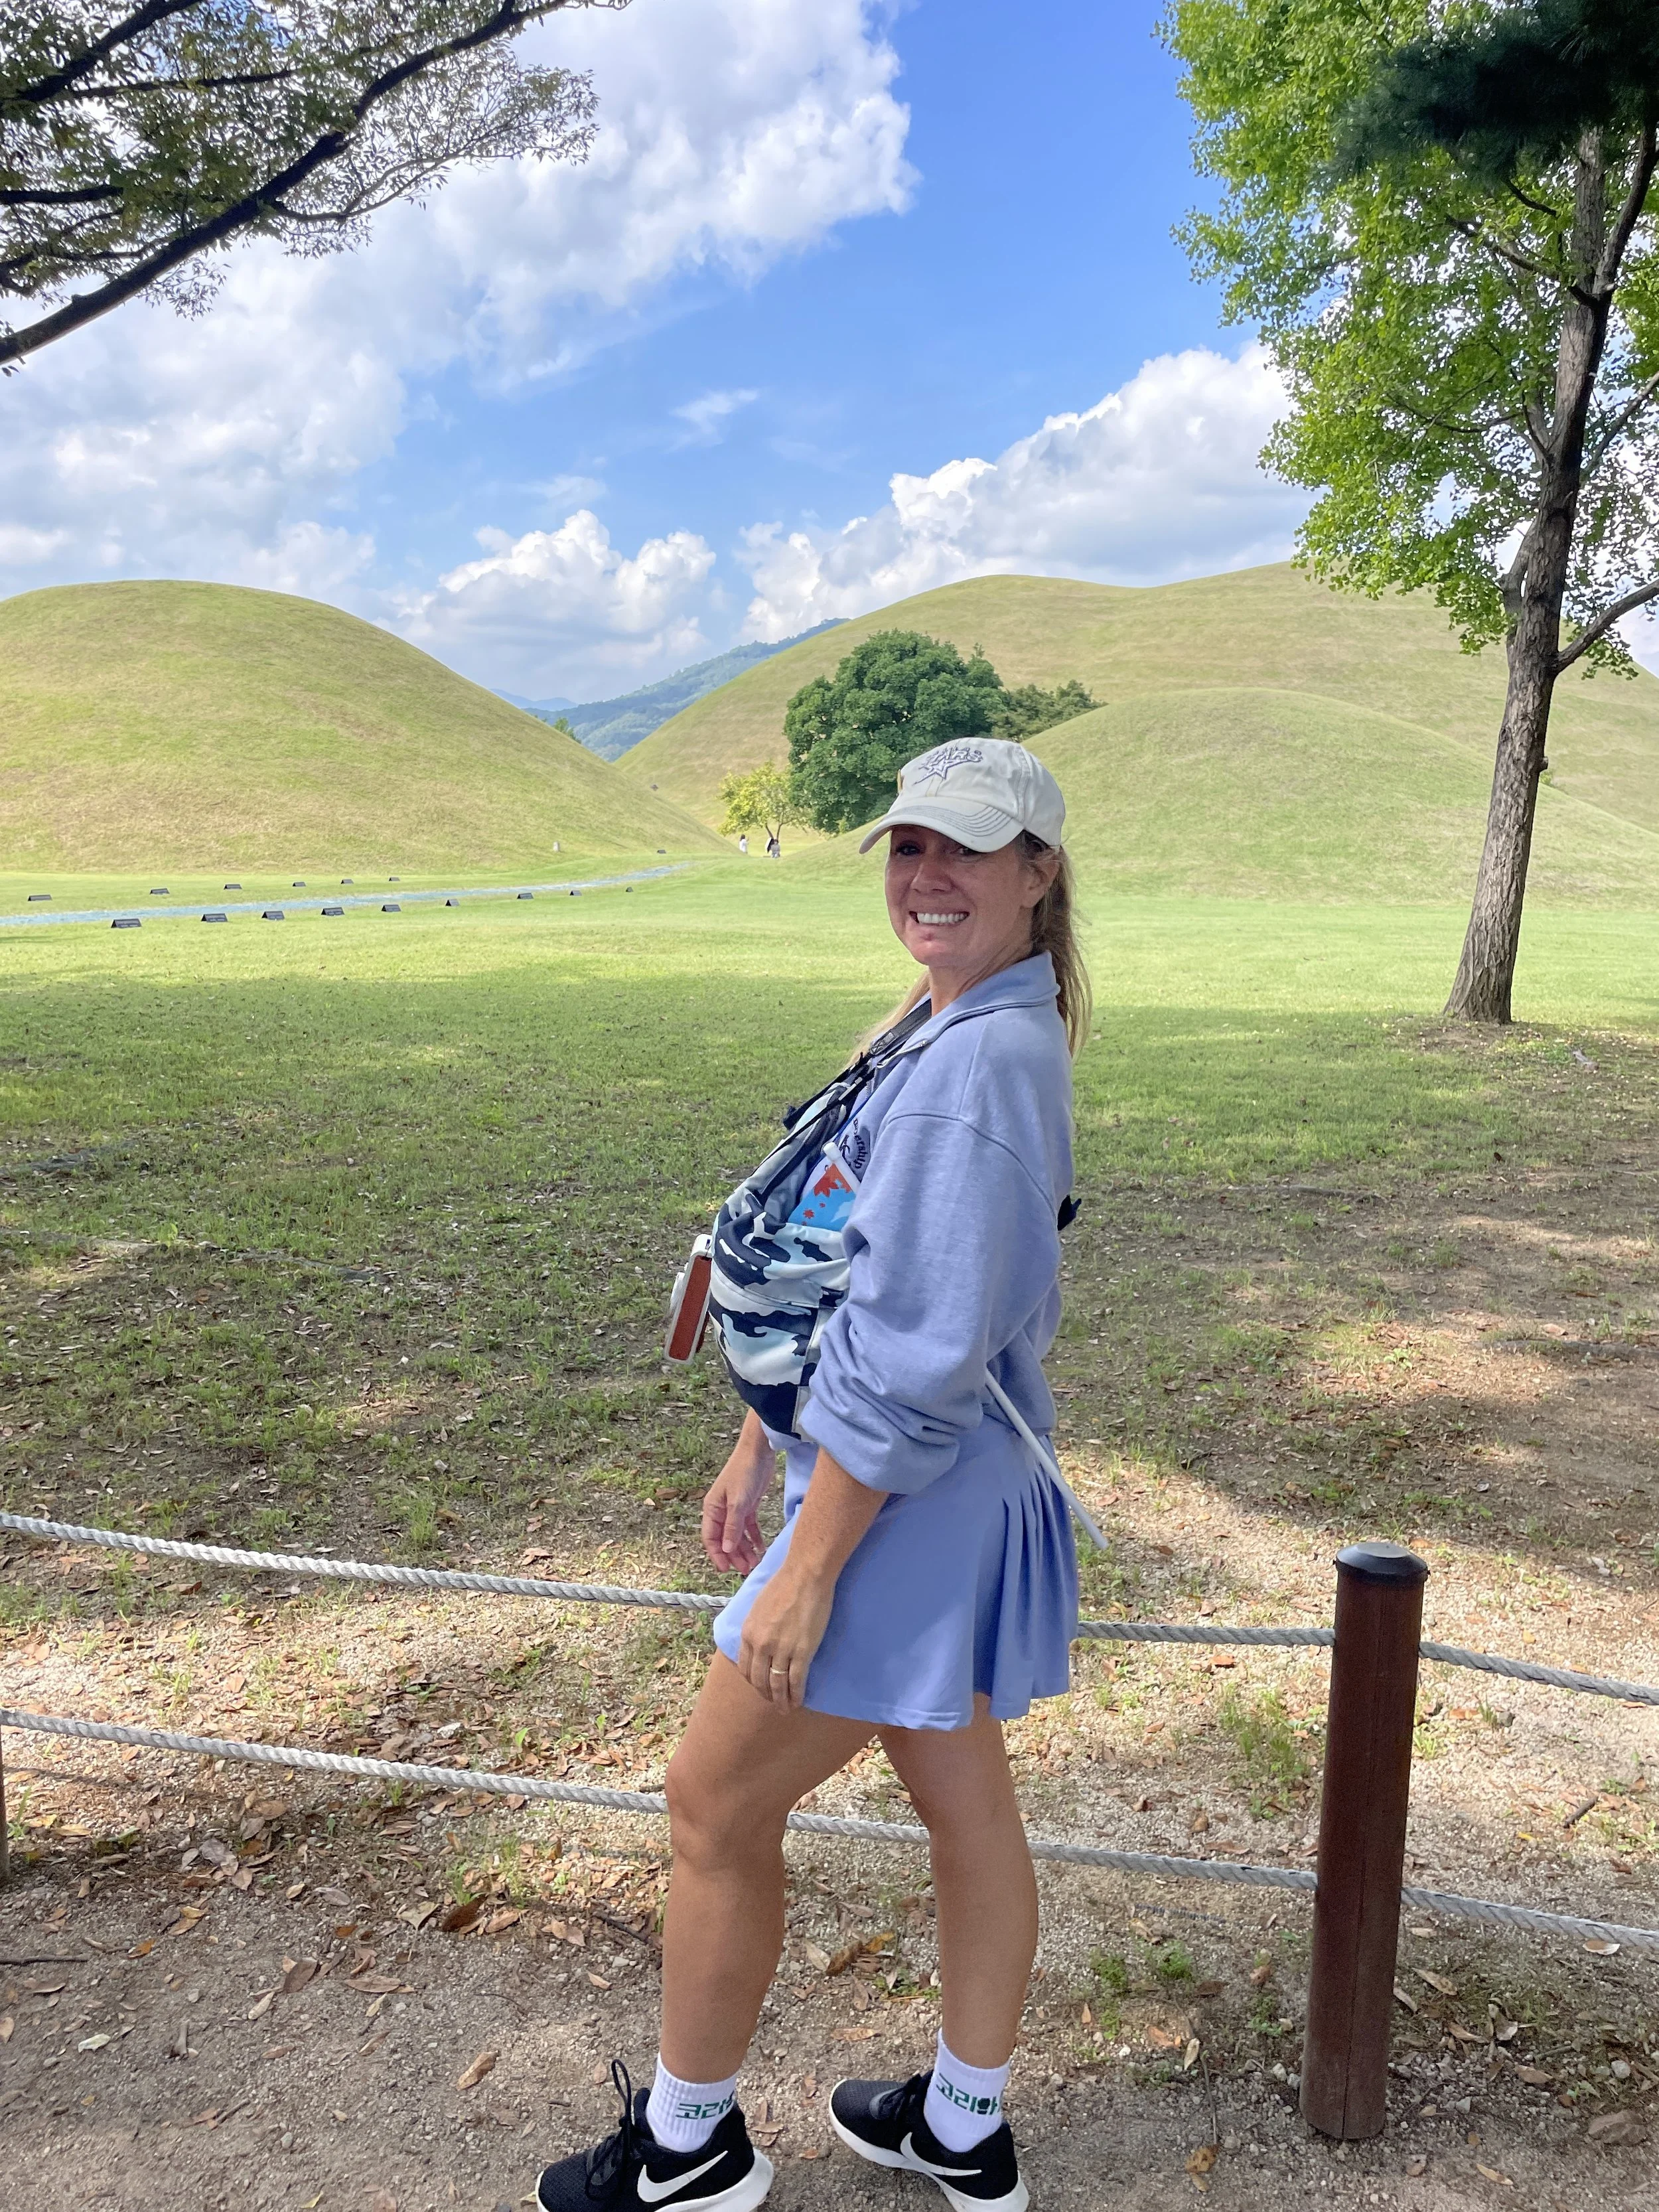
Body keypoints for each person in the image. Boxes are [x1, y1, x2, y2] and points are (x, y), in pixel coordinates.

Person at [536, 737, 1092, 2212]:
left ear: (1038, 871)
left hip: (899, 1504)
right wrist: (755, 1441)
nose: (927, 876)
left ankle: (686, 2148)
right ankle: (962, 2124)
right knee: (965, 1809)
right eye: (907, 846)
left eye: (965, 850)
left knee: (711, 1804)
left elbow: (911, 1355)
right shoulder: (948, 1015)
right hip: (914, 1484)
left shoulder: (978, 1064)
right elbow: (834, 1258)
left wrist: (811, 1561)